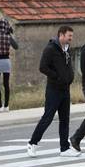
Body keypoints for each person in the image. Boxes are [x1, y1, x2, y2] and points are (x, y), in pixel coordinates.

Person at [27, 26, 80, 157]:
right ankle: (32, 143)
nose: (71, 38)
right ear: (61, 35)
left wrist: (69, 77)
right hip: (53, 90)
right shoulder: (50, 49)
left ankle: (64, 148)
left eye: (71, 36)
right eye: (69, 36)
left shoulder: (66, 49)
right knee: (48, 117)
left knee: (65, 119)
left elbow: (67, 67)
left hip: (65, 90)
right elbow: (42, 67)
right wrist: (57, 77)